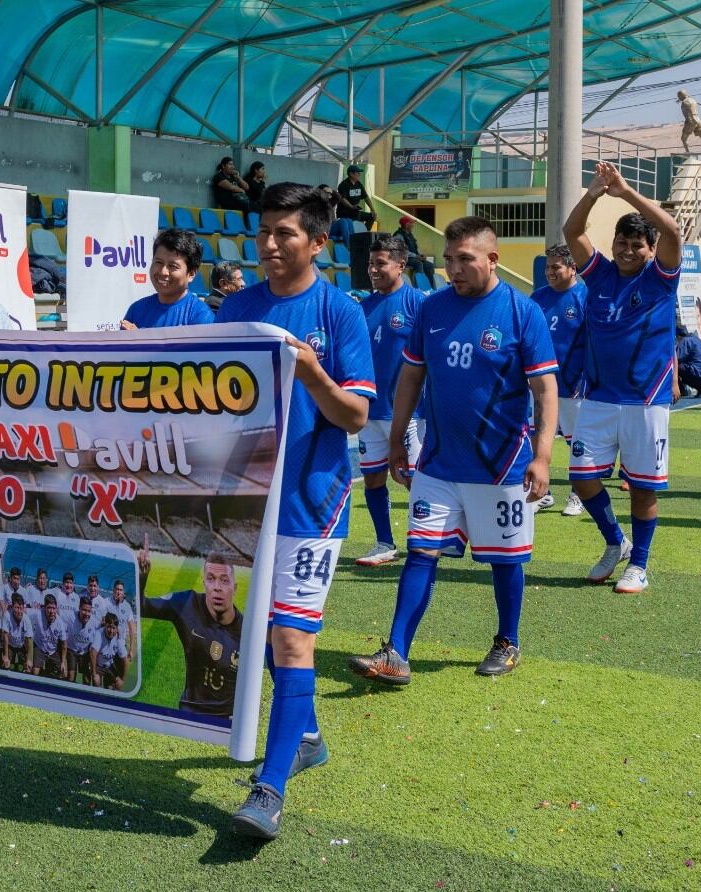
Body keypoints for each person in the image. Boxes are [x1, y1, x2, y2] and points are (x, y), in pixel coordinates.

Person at [215, 182, 374, 840]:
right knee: (257, 636)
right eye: (264, 233)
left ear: (318, 242)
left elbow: (356, 414)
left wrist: (311, 372)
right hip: (244, 499)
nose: (270, 244)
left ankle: (269, 789)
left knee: (290, 638)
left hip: (314, 499)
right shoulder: (237, 307)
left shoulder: (339, 314)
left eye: (285, 234)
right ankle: (305, 734)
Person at [348, 215, 557, 688]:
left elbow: (545, 391)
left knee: (506, 560)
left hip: (500, 465)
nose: (453, 269)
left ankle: (508, 640)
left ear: (492, 259)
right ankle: (397, 652)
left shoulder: (522, 312)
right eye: (447, 260)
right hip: (438, 462)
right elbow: (411, 378)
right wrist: (401, 438)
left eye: (464, 260)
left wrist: (542, 458)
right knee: (421, 553)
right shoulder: (432, 309)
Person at [559, 160, 683, 594]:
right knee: (582, 477)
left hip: (645, 400)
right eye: (621, 242)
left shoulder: (661, 280)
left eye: (636, 244)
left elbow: (673, 232)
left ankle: (641, 565)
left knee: (641, 488)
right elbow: (572, 232)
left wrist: (627, 191)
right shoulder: (599, 275)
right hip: (596, 398)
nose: (627, 250)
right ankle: (616, 542)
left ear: (650, 250)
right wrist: (594, 193)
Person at [354, 235, 428, 566]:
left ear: (401, 264)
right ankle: (384, 542)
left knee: (415, 480)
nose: (373, 269)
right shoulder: (362, 308)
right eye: (371, 264)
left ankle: (427, 541)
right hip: (370, 410)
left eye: (380, 263)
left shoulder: (418, 303)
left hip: (408, 414)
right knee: (373, 477)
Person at [138, 546, 243, 716]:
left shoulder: (247, 631)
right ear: (204, 584)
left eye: (224, 580)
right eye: (211, 579)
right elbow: (142, 607)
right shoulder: (187, 604)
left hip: (227, 718)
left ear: (235, 588)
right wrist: (142, 577)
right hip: (190, 711)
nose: (217, 587)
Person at [529, 244, 589, 516]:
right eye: (548, 268)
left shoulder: (584, 297)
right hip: (541, 384)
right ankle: (543, 492)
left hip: (572, 383)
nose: (550, 273)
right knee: (537, 436)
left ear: (572, 267)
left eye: (556, 267)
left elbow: (593, 343)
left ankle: (579, 494)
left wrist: (584, 378)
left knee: (577, 442)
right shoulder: (537, 297)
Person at [121, 229, 215, 330]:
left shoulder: (201, 316)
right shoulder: (136, 310)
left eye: (172, 266)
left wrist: (140, 340)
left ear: (191, 274)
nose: (163, 272)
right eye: (158, 262)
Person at [30, 595, 69, 678]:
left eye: (54, 608)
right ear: (44, 608)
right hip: (39, 647)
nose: (52, 611)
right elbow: (23, 610)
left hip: (53, 650)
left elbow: (64, 644)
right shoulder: (37, 614)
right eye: (49, 608)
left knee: (64, 673)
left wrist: (63, 662)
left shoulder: (60, 624)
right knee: (35, 671)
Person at [394, 216, 437, 284]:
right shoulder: (399, 236)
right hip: (403, 258)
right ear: (406, 224)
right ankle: (420, 286)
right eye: (411, 223)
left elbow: (415, 248)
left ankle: (431, 288)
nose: (413, 225)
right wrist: (415, 256)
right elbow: (401, 251)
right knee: (418, 264)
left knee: (429, 265)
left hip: (413, 258)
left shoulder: (410, 235)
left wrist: (420, 255)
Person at [93, 614, 131, 690]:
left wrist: (123, 681)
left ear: (117, 629)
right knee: (96, 686)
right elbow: (93, 654)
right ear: (105, 626)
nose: (111, 631)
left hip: (109, 665)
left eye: (114, 628)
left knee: (116, 687)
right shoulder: (98, 634)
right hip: (98, 666)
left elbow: (126, 660)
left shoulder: (118, 639)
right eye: (109, 627)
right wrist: (94, 674)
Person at [675, 326, 701, 396]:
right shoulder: (696, 339)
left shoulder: (685, 341)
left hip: (699, 374)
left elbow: (676, 359)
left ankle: (680, 390)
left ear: (678, 336)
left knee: (676, 367)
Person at [334, 164, 376, 231]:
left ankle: (365, 233)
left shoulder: (358, 184)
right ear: (351, 174)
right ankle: (357, 236)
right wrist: (351, 207)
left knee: (372, 216)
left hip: (355, 212)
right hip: (345, 213)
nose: (359, 174)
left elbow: (366, 197)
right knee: (357, 216)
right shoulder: (343, 185)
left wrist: (372, 209)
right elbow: (343, 199)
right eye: (358, 172)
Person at [0, 594, 32, 673]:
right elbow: (5, 637)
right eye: (16, 608)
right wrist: (6, 656)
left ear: (23, 608)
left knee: (29, 667)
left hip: (22, 645)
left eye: (21, 608)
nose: (19, 611)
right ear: (12, 607)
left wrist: (29, 659)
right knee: (5, 663)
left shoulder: (26, 619)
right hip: (10, 645)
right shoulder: (7, 615)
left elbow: (29, 640)